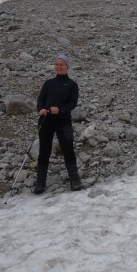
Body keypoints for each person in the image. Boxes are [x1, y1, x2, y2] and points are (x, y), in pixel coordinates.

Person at [33, 54, 82, 193]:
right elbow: (40, 100)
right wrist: (41, 109)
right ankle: (40, 182)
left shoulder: (72, 84)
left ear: (67, 66)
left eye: (62, 64)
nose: (59, 67)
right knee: (44, 150)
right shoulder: (48, 83)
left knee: (68, 149)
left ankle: (75, 179)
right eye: (57, 64)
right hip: (46, 120)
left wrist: (60, 110)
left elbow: (73, 103)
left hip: (63, 121)